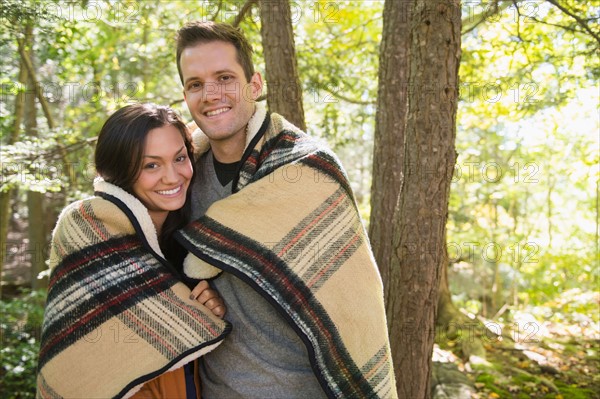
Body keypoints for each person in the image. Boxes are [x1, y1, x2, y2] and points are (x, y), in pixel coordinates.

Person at [175, 21, 398, 398]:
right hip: (215, 390)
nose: (210, 94)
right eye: (195, 84)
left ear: (255, 85)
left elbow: (356, 296)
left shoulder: (307, 169)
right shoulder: (182, 173)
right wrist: (191, 293)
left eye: (225, 77)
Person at [36, 103, 231, 398]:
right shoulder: (86, 226)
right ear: (114, 171)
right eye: (150, 165)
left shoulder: (186, 232)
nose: (172, 176)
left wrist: (204, 308)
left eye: (180, 158)